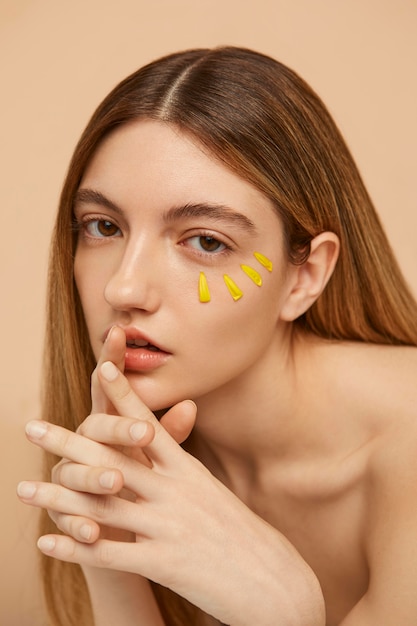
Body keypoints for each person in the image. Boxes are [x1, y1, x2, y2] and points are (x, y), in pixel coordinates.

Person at [17, 46, 417, 626]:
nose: (124, 289)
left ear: (304, 275)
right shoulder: (132, 469)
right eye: (103, 227)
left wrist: (287, 616)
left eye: (205, 241)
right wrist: (110, 558)